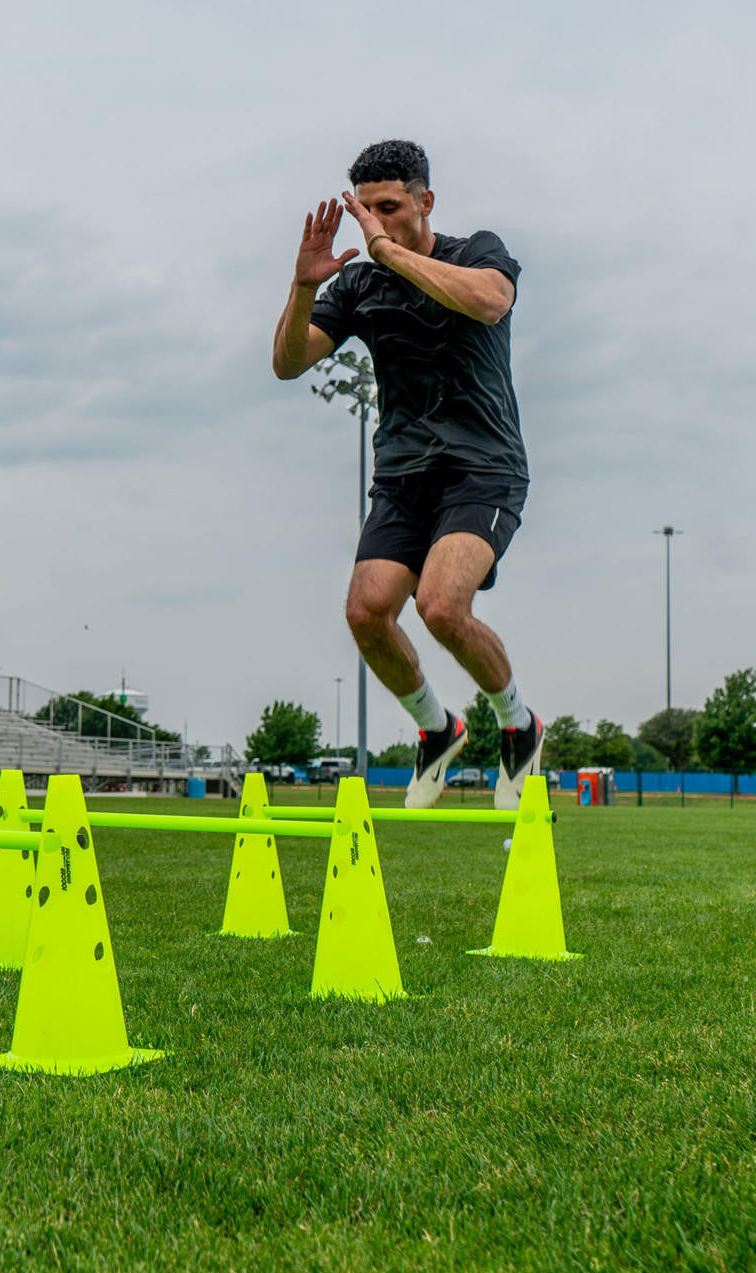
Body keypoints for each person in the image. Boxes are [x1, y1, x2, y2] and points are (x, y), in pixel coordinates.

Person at [271, 139, 542, 809]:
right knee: (366, 612)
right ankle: (437, 729)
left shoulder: (477, 249)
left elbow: (489, 303)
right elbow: (289, 361)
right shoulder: (359, 284)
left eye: (387, 208)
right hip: (401, 475)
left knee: (443, 608)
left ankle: (518, 724)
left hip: (483, 468)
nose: (372, 224)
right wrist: (305, 285)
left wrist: (391, 250)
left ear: (425, 202)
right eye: (362, 210)